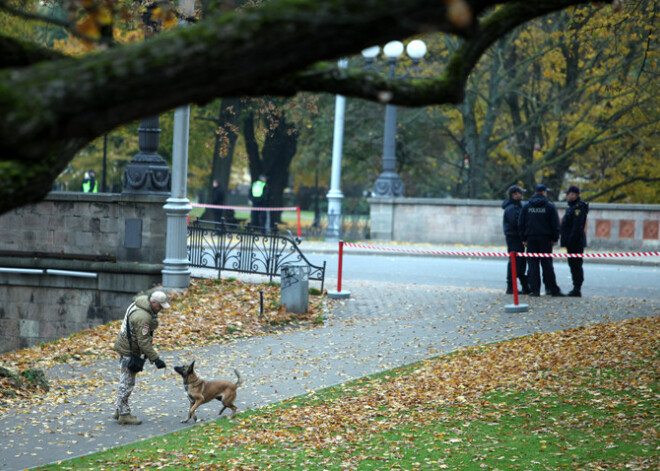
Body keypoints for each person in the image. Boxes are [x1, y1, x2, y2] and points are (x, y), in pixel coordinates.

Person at [112, 291, 170, 425]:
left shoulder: (141, 302)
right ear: (153, 302)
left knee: (124, 380)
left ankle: (119, 409)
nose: (161, 309)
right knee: (127, 383)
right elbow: (143, 342)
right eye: (160, 306)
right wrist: (156, 359)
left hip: (125, 345)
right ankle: (124, 415)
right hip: (129, 350)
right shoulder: (143, 317)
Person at [518, 184, 564, 297]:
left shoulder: (527, 206)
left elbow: (521, 223)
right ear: (543, 192)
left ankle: (535, 290)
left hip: (531, 238)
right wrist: (555, 238)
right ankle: (552, 290)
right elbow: (555, 224)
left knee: (533, 265)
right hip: (546, 239)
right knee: (547, 264)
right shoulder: (549, 206)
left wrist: (523, 239)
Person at [560, 185, 589, 297]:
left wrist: (570, 240)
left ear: (575, 195)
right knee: (573, 265)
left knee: (576, 265)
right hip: (572, 241)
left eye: (569, 194)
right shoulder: (572, 207)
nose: (567, 196)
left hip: (576, 242)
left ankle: (577, 288)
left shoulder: (578, 208)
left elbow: (577, 226)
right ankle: (575, 287)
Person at [502, 185, 529, 294]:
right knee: (514, 262)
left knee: (520, 262)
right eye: (520, 193)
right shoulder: (512, 208)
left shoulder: (517, 206)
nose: (522, 195)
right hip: (514, 238)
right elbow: (516, 223)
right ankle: (511, 286)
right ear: (514, 195)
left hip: (516, 237)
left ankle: (523, 286)